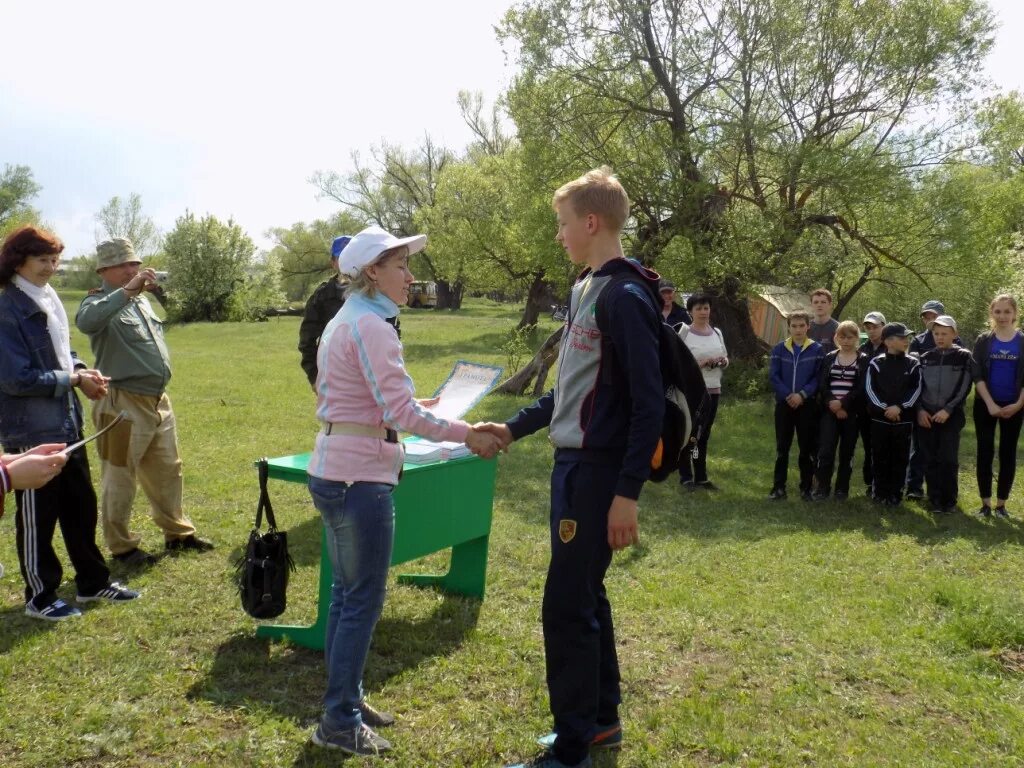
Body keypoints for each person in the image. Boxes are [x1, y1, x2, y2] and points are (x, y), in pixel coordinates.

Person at [477, 167, 662, 768]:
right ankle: (601, 722)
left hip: (596, 473)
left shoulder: (626, 296)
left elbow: (648, 403)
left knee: (564, 605)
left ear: (590, 222)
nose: (558, 235)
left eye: (562, 224)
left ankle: (572, 749)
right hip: (573, 467)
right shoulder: (587, 288)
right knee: (584, 592)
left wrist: (626, 493)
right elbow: (569, 391)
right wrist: (512, 427)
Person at [306, 225, 500, 757]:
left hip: (341, 469)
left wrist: (428, 410)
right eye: (400, 266)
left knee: (349, 597)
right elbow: (397, 413)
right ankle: (339, 719)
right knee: (359, 599)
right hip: (357, 477)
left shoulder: (355, 319)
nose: (411, 277)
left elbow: (377, 401)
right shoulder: (370, 325)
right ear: (372, 271)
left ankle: (345, 699)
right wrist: (470, 433)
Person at [0, 226, 139, 621]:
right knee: (38, 518)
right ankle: (39, 596)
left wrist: (81, 369)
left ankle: (93, 582)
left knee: (81, 507)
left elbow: (62, 350)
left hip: (65, 422)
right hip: (30, 431)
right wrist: (73, 380)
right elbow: (16, 379)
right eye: (42, 259)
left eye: (55, 259)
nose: (51, 267)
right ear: (18, 260)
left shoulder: (46, 297)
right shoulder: (7, 307)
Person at [76, 238, 213, 567]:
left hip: (157, 401)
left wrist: (144, 291)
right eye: (124, 264)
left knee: (168, 470)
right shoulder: (99, 302)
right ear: (104, 270)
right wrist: (126, 292)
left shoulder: (142, 302)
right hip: (122, 403)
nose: (133, 269)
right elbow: (87, 323)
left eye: (135, 263)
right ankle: (122, 547)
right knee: (120, 475)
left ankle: (177, 533)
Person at [971, 294, 1024, 518]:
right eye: (998, 311)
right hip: (986, 405)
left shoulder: (1022, 341)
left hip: (1015, 405)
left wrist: (1018, 404)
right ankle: (985, 504)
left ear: (1015, 314)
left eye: (1007, 312)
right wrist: (990, 404)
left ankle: (1001, 505)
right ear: (991, 313)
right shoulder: (984, 341)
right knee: (985, 451)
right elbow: (977, 374)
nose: (1002, 316)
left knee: (1007, 453)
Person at [916, 315, 972, 514]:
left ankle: (949, 500)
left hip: (951, 415)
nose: (940, 337)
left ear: (954, 334)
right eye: (936, 333)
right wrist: (920, 410)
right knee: (930, 458)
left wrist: (948, 409)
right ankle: (935, 499)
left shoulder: (964, 356)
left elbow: (964, 387)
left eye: (944, 334)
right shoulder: (925, 358)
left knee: (948, 458)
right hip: (927, 415)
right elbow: (918, 387)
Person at [906, 299, 960, 500]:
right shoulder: (918, 342)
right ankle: (914, 487)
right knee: (919, 449)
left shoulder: (958, 344)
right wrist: (919, 408)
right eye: (926, 316)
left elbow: (962, 382)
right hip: (923, 404)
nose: (930, 319)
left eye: (934, 315)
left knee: (946, 454)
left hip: (948, 408)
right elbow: (914, 377)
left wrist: (950, 408)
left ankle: (945, 493)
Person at [768, 311, 824, 501]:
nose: (798, 329)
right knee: (782, 448)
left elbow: (817, 378)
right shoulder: (779, 349)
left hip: (806, 405)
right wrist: (788, 395)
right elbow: (774, 376)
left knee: (806, 448)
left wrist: (801, 395)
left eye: (802, 326)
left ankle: (806, 488)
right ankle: (778, 488)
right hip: (784, 405)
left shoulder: (817, 349)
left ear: (808, 326)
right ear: (789, 327)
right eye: (794, 326)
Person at [864, 323, 921, 506]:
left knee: (900, 457)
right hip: (879, 419)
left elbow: (916, 389)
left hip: (903, 421)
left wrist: (900, 408)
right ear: (888, 341)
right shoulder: (876, 363)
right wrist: (885, 409)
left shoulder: (913, 363)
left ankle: (895, 493)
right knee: (879, 456)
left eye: (907, 337)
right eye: (902, 337)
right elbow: (870, 389)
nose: (906, 341)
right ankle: (879, 492)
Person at [678, 292, 727, 490]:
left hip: (713, 390)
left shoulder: (717, 332)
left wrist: (722, 362)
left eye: (706, 308)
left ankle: (701, 476)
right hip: (693, 391)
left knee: (703, 435)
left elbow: (725, 357)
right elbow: (678, 363)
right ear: (690, 311)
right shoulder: (685, 332)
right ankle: (685, 475)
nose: (703, 312)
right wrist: (701, 363)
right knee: (690, 434)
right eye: (698, 308)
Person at [812, 321, 864, 501]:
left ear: (857, 338)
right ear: (836, 338)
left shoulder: (863, 359)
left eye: (850, 337)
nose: (846, 340)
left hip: (851, 413)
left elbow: (861, 387)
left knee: (846, 452)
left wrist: (843, 405)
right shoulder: (829, 357)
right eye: (842, 336)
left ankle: (842, 489)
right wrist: (832, 403)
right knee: (826, 450)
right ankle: (822, 488)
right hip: (829, 411)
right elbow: (822, 384)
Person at [298, 235, 351, 388]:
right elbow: (306, 341)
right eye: (342, 257)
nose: (348, 262)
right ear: (333, 263)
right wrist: (314, 377)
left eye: (352, 256)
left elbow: (391, 328)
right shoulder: (322, 296)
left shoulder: (373, 292)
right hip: (334, 378)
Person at [857, 312, 886, 495]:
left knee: (882, 445)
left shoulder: (890, 347)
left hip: (883, 406)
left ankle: (882, 482)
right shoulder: (862, 349)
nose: (872, 330)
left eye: (875, 326)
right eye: (868, 327)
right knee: (868, 445)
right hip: (864, 406)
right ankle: (870, 483)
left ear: (883, 326)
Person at [808, 288, 839, 353]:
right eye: (816, 302)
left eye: (823, 302)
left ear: (830, 305)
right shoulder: (805, 328)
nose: (819, 305)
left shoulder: (839, 328)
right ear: (811, 305)